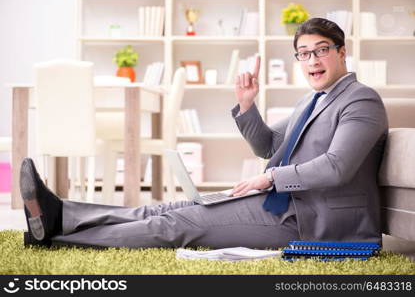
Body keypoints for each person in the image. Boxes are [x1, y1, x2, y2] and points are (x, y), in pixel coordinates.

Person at [20, 18, 387, 250]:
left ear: (342, 52)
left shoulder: (361, 100)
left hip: (316, 222)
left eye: (321, 51)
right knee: (168, 207)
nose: (312, 61)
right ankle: (62, 213)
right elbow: (269, 146)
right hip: (286, 204)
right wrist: (246, 106)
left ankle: (57, 236)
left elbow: (337, 166)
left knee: (179, 224)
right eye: (303, 54)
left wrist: (270, 177)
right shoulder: (312, 99)